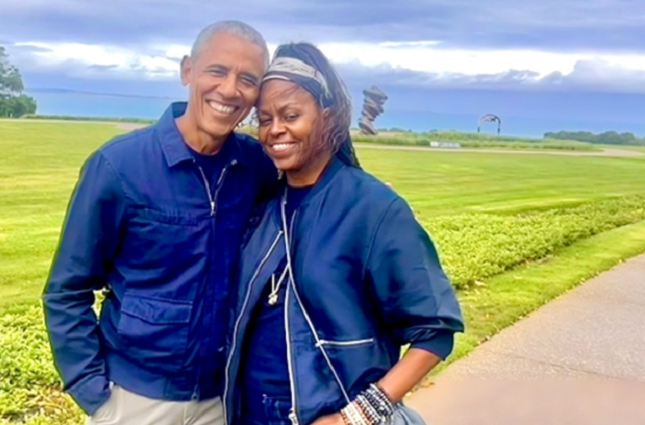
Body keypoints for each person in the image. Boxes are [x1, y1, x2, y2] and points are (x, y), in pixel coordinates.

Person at [42, 20, 279, 425]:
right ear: (188, 70)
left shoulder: (256, 166)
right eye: (217, 70)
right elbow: (67, 288)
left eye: (247, 79)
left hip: (223, 400)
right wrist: (94, 392)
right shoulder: (119, 166)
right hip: (134, 400)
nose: (229, 90)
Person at [223, 42, 465, 425]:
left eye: (290, 115)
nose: (275, 129)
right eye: (264, 119)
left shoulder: (373, 208)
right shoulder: (265, 205)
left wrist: (355, 417)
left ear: (328, 117)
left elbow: (435, 331)